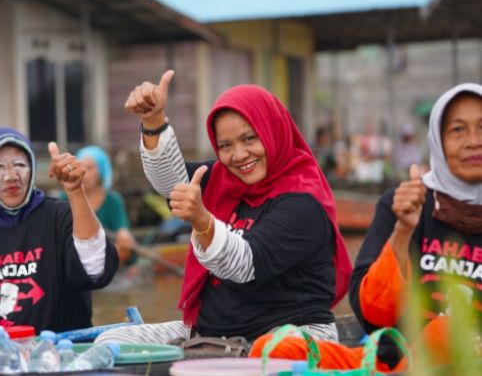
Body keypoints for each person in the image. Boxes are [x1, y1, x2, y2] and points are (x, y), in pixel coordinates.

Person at [94, 70, 352, 344]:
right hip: (213, 334)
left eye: (250, 139)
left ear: (272, 131)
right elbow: (173, 185)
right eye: (225, 145)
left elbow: (243, 265)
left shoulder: (304, 201)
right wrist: (153, 121)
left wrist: (202, 221)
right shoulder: (223, 178)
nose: (239, 155)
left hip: (291, 337)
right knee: (111, 342)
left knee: (272, 352)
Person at [248, 83, 482, 370]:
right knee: (270, 349)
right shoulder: (404, 203)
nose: (474, 140)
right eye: (458, 129)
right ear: (438, 140)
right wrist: (403, 230)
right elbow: (373, 314)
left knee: (445, 332)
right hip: (388, 362)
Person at [0, 127, 119, 332]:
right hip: (4, 354)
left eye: (20, 164)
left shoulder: (59, 216)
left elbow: (95, 272)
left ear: (31, 169)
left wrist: (76, 192)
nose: (11, 176)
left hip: (66, 352)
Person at [71, 146, 136, 267]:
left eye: (90, 168)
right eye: (80, 167)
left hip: (106, 255)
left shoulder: (112, 200)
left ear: (101, 170)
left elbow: (121, 227)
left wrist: (124, 235)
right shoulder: (66, 199)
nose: (84, 173)